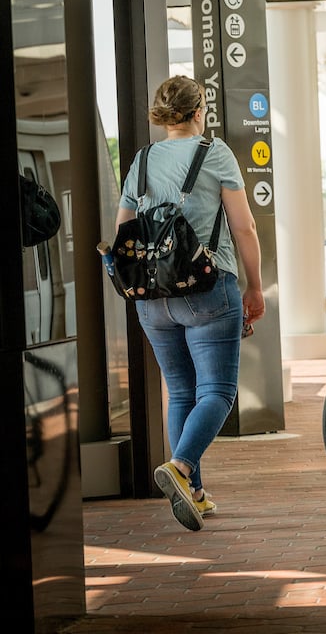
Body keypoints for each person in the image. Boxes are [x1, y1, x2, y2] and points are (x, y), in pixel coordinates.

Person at [115, 76, 265, 531]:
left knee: (180, 390)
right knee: (218, 391)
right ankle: (180, 468)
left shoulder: (142, 160)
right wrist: (255, 287)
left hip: (151, 298)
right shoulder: (214, 153)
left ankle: (194, 491)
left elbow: (122, 231)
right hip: (206, 288)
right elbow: (244, 228)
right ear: (199, 111)